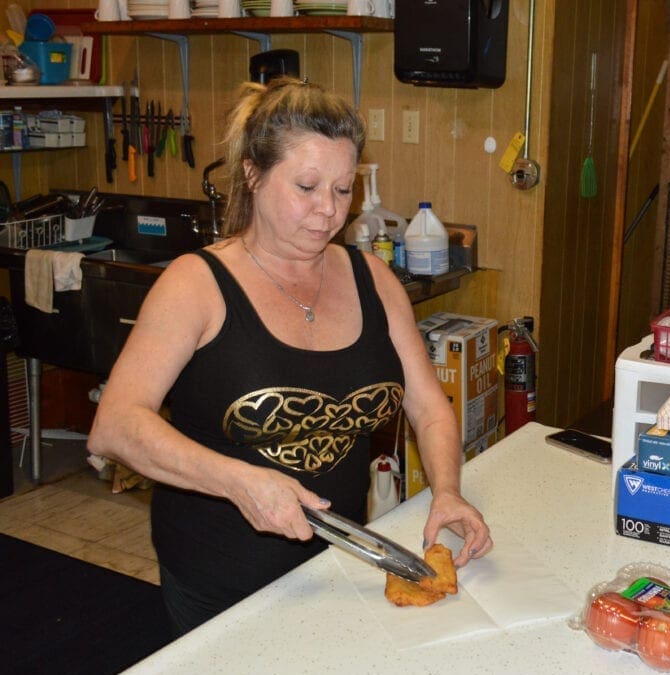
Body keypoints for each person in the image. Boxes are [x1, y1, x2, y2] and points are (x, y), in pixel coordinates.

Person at [87, 77, 493, 635]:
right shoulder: (195, 285)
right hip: (220, 585)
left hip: (336, 568)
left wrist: (447, 492)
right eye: (306, 186)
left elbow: (427, 406)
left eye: (343, 189)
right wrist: (239, 481)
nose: (329, 211)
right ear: (253, 174)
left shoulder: (371, 278)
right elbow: (114, 427)